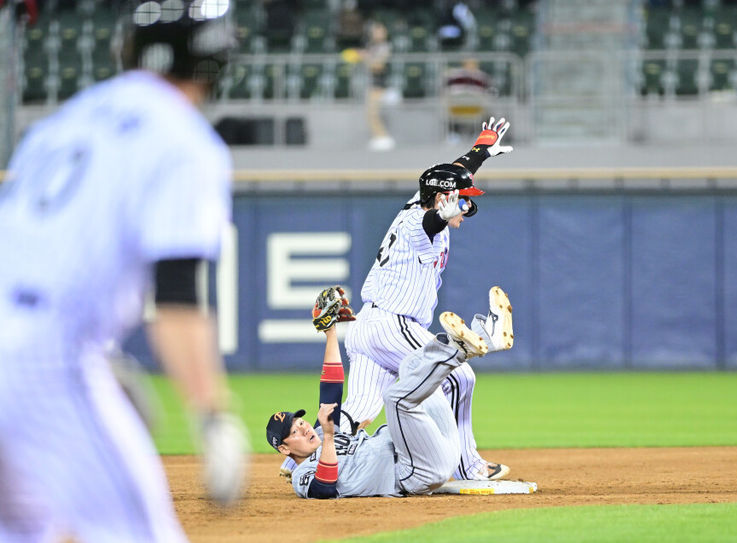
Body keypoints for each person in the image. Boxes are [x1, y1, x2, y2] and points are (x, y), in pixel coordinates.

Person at [0, 1, 248, 541]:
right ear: (213, 64)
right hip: (48, 363)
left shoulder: (63, 121)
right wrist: (212, 415)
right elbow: (177, 298)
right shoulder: (184, 141)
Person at [279, 117, 514, 483]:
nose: (468, 206)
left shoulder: (419, 200)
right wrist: (442, 214)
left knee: (356, 411)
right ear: (441, 200)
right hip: (393, 324)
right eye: (463, 200)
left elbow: (454, 171)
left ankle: (296, 461)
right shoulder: (416, 221)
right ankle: (467, 467)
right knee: (458, 378)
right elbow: (429, 223)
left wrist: (482, 147)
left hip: (368, 327)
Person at [268, 285, 515, 499]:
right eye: (295, 430)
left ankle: (485, 337)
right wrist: (331, 437)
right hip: (415, 472)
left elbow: (331, 388)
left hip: (439, 446)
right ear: (285, 449)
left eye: (300, 421)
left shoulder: (323, 432)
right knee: (395, 400)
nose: (304, 427)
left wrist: (330, 332)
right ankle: (460, 351)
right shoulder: (303, 475)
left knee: (409, 365)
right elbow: (324, 489)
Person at [443, 58, 493, 144]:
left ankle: (480, 133)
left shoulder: (482, 77)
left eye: (473, 64)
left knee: (487, 109)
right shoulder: (454, 75)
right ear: (464, 64)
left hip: (476, 108)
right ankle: (454, 133)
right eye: (469, 64)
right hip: (457, 108)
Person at [362, 21, 395, 151]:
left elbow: (378, 66)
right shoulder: (373, 46)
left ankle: (383, 137)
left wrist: (365, 58)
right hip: (373, 84)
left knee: (374, 113)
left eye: (379, 31)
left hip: (380, 85)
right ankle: (379, 136)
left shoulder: (384, 46)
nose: (376, 33)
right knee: (370, 113)